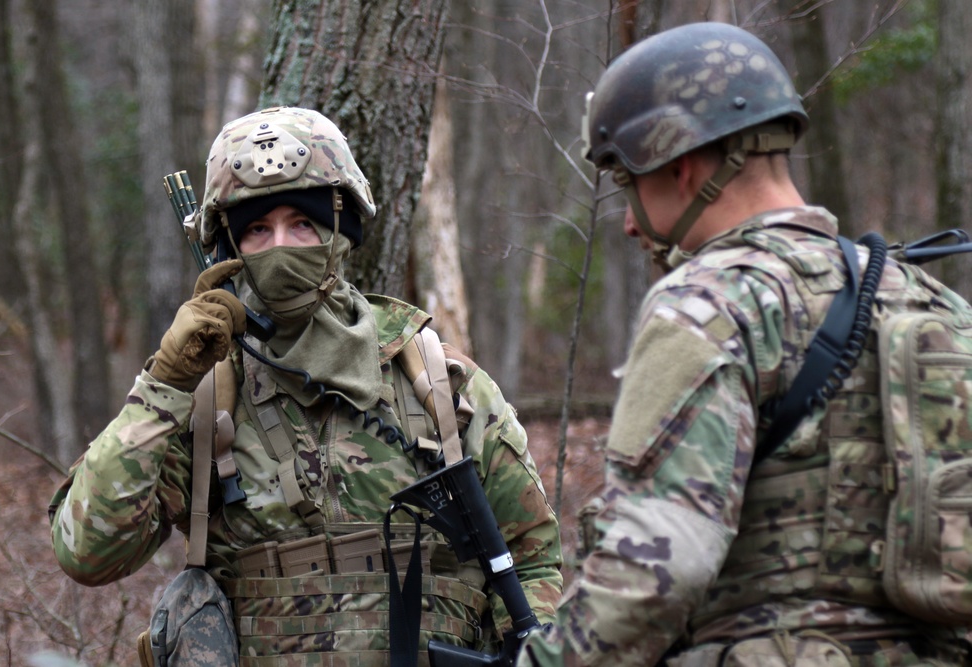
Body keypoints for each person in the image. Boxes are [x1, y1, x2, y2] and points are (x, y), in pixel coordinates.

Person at [517, 21, 972, 667]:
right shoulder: (935, 303)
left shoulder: (709, 302)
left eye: (628, 185)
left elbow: (654, 568)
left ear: (681, 166)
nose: (626, 221)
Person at [49, 106, 563, 666]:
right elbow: (87, 553)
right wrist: (164, 385)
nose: (281, 247)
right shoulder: (202, 398)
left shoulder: (439, 382)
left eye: (302, 224)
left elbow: (533, 559)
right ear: (228, 250)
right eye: (256, 230)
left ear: (341, 230)